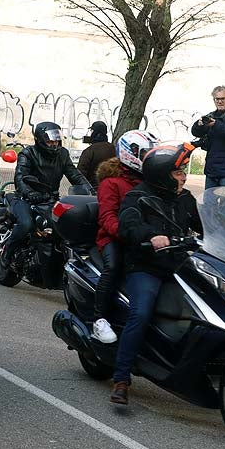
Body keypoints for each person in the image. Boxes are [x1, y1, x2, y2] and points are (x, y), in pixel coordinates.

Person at [110, 142, 203, 405]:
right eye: (178, 173)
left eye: (184, 171)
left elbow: (204, 225)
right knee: (140, 313)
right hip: (146, 267)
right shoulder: (136, 198)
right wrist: (151, 236)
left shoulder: (184, 198)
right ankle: (121, 378)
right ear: (162, 174)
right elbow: (128, 226)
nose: (184, 177)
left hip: (180, 265)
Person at [91, 130, 157, 344]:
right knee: (114, 265)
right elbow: (107, 216)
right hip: (113, 238)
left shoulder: (150, 181)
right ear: (131, 153)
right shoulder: (111, 183)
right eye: (145, 153)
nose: (149, 157)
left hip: (142, 236)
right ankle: (99, 319)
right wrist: (125, 233)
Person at [2, 121, 92, 267]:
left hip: (50, 199)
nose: (54, 143)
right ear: (39, 139)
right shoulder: (28, 153)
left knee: (67, 226)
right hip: (26, 199)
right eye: (50, 140)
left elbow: (75, 175)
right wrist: (30, 192)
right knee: (26, 224)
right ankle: (8, 253)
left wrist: (92, 192)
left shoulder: (63, 154)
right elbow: (20, 177)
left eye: (56, 140)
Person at [191, 86, 225, 188]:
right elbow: (195, 132)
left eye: (223, 99)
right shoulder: (212, 115)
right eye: (217, 99)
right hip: (212, 169)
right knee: (209, 202)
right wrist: (199, 124)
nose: (220, 101)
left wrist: (215, 124)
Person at [76, 121, 116, 187]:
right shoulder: (114, 148)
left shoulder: (89, 151)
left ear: (95, 133)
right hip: (111, 188)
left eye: (92, 131)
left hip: (93, 190)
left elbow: (80, 174)